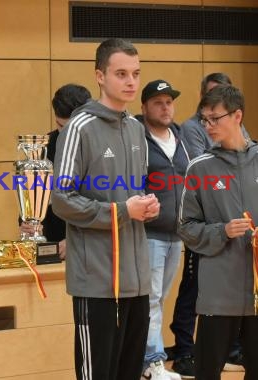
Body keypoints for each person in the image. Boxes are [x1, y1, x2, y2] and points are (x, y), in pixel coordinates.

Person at [51, 38, 160, 380]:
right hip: (96, 281)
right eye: (121, 74)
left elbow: (131, 196)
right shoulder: (79, 128)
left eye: (136, 74)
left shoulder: (136, 128)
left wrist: (146, 206)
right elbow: (61, 199)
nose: (131, 82)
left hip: (136, 280)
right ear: (100, 76)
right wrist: (123, 211)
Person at [178, 85, 258, 380]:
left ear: (237, 116)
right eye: (204, 120)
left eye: (214, 119)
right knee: (208, 372)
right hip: (218, 293)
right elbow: (185, 227)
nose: (208, 127)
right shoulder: (199, 168)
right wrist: (223, 231)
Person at [171, 73, 245, 378]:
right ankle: (185, 350)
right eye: (209, 112)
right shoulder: (192, 128)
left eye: (220, 111)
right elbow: (206, 169)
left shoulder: (240, 131)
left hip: (236, 228)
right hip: (205, 224)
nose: (212, 120)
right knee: (193, 292)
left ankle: (232, 348)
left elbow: (244, 161)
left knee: (235, 291)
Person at [136, 80, 190, 380]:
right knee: (151, 299)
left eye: (169, 101)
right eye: (158, 102)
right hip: (149, 233)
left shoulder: (179, 137)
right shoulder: (138, 138)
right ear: (144, 107)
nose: (165, 107)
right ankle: (153, 361)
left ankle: (150, 361)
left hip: (176, 235)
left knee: (159, 297)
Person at [19, 84, 91, 259]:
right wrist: (27, 223)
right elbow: (32, 194)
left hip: (90, 246)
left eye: (71, 129)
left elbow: (106, 204)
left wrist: (75, 239)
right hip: (52, 244)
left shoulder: (102, 148)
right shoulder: (44, 147)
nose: (65, 135)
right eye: (60, 126)